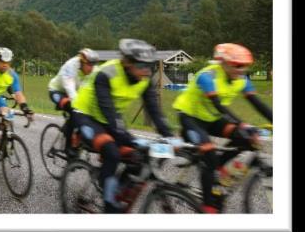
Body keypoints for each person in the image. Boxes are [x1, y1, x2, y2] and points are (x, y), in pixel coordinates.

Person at [71, 39, 176, 213]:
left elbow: (154, 111)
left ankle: (115, 187)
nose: (146, 70)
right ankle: (109, 202)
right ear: (127, 62)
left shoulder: (145, 77)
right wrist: (131, 140)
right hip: (86, 115)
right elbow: (110, 117)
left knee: (139, 157)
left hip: (109, 116)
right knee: (112, 152)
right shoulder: (107, 74)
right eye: (141, 65)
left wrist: (170, 137)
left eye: (150, 65)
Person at [173, 43, 273, 213]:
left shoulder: (241, 79)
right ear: (223, 63)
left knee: (245, 139)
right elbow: (218, 105)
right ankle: (208, 205)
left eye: (245, 67)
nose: (241, 70)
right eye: (238, 66)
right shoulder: (207, 76)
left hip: (212, 119)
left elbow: (257, 104)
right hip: (190, 118)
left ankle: (217, 167)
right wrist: (242, 124)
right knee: (209, 152)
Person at [48, 48, 101, 153]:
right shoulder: (70, 66)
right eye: (89, 65)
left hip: (76, 93)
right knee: (73, 109)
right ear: (82, 62)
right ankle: (68, 146)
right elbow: (70, 89)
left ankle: (78, 134)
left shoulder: (94, 70)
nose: (92, 68)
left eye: (93, 65)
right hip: (58, 91)